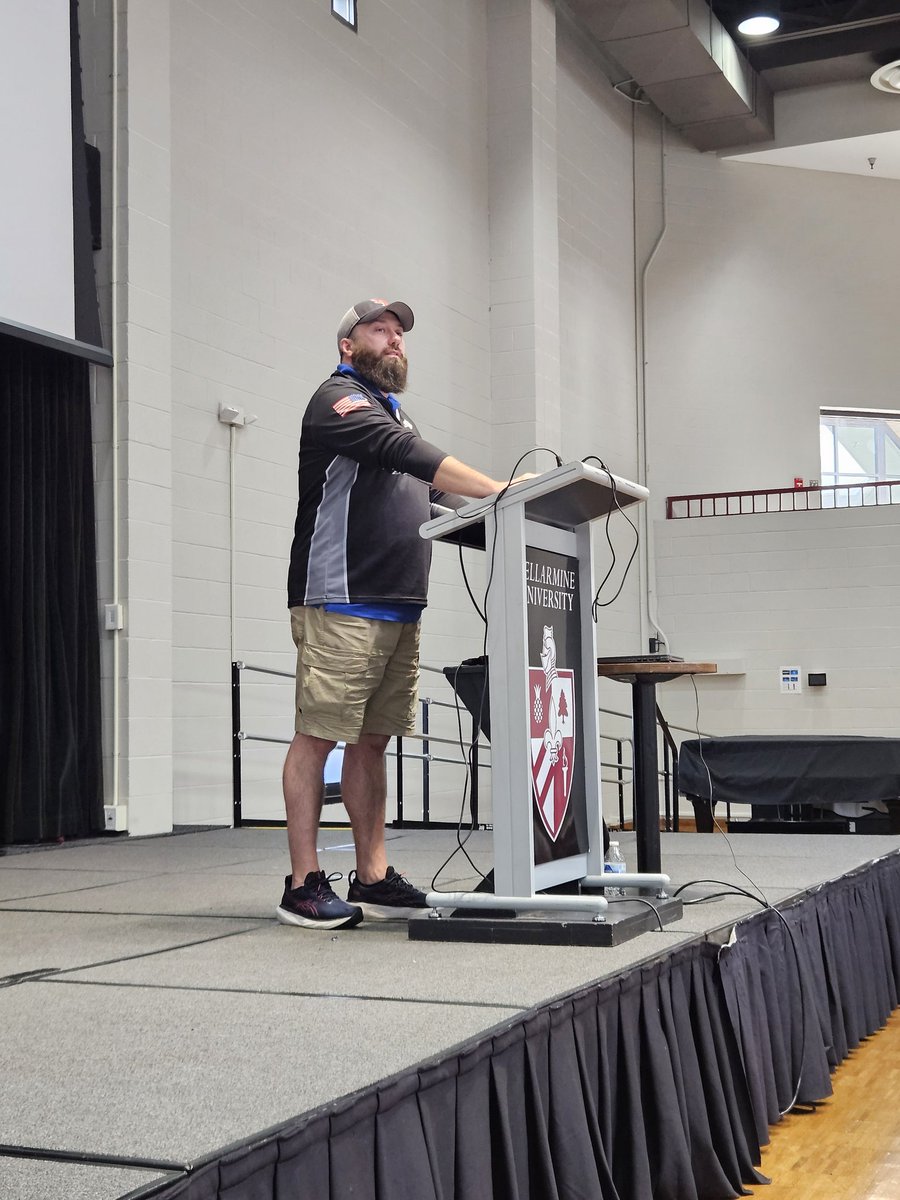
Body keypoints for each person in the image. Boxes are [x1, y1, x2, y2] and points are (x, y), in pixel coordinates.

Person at [277, 298, 529, 930]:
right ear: (347, 345)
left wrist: (518, 507)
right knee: (319, 734)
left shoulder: (396, 413)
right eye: (378, 331)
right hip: (341, 598)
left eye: (399, 335)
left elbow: (437, 491)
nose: (393, 341)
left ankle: (372, 874)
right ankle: (303, 884)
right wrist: (502, 487)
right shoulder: (338, 400)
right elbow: (415, 459)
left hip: (397, 604)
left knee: (373, 738)